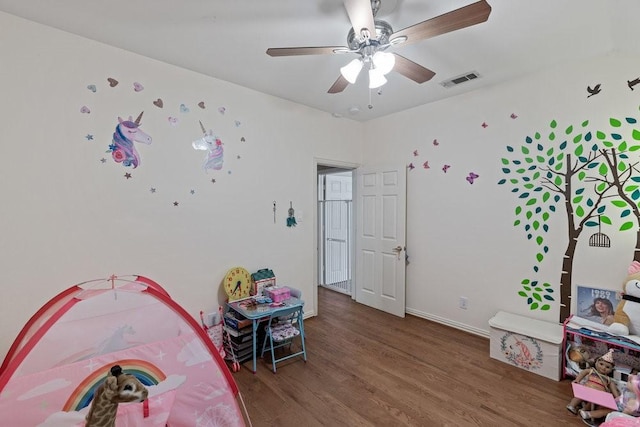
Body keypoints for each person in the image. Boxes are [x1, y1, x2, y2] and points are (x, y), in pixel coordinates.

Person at [567, 349, 620, 422]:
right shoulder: (592, 370)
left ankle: (584, 410)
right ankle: (572, 405)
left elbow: (613, 388)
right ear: (596, 362)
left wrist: (618, 398)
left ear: (611, 370)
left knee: (592, 403)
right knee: (580, 396)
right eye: (601, 364)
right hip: (587, 388)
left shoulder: (608, 379)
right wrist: (577, 380)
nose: (603, 368)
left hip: (598, 395)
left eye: (607, 367)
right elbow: (583, 373)